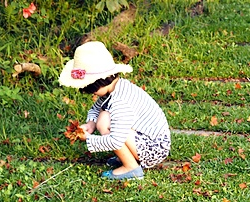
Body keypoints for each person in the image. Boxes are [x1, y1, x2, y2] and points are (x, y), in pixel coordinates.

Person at [58, 41, 170, 180]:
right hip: (147, 140)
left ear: (98, 82)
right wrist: (90, 124)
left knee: (104, 122)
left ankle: (131, 167)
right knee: (102, 117)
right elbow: (97, 107)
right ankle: (128, 156)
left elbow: (116, 140)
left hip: (154, 148)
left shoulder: (120, 101)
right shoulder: (116, 87)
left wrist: (89, 138)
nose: (90, 93)